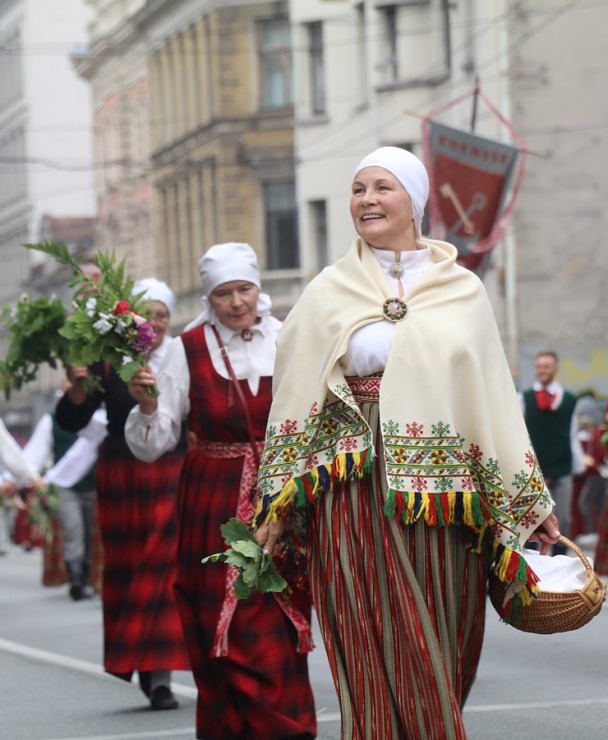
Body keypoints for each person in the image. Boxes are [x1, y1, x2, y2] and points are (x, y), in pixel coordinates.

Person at [253, 146, 560, 739]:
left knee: (447, 638)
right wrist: (277, 498)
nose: (366, 200)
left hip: (442, 497)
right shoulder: (328, 290)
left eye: (382, 188)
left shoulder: (462, 291)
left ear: (414, 203)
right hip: (352, 489)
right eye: (358, 189)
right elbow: (293, 394)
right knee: (366, 639)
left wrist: (532, 504)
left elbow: (492, 397)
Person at [124, 243, 317, 740]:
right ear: (211, 299)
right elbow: (157, 440)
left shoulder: (287, 337)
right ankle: (232, 727)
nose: (236, 302)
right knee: (219, 617)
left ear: (259, 289)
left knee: (277, 613)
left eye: (244, 290)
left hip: (281, 495)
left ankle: (287, 728)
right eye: (224, 293)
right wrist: (147, 407)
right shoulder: (187, 350)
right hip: (212, 496)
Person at [55, 278, 189, 711]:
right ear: (131, 322)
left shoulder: (185, 357)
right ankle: (145, 663)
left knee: (165, 569)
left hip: (173, 472)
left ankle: (162, 673)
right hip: (122, 477)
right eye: (147, 315)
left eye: (163, 315)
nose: (156, 323)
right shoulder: (108, 361)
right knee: (131, 570)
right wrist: (76, 389)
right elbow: (73, 418)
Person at [22, 402, 107, 600]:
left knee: (89, 534)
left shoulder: (100, 417)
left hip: (93, 485)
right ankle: (76, 580)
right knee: (73, 529)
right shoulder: (52, 419)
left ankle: (85, 577)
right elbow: (37, 451)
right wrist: (30, 477)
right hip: (63, 486)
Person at [519, 350, 585, 554]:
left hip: (562, 466)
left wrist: (577, 465)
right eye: (538, 366)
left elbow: (573, 433)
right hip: (536, 470)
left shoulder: (569, 400)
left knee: (562, 520)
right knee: (532, 518)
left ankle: (559, 566)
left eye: (546, 366)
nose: (542, 370)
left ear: (555, 369)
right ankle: (530, 568)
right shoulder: (525, 398)